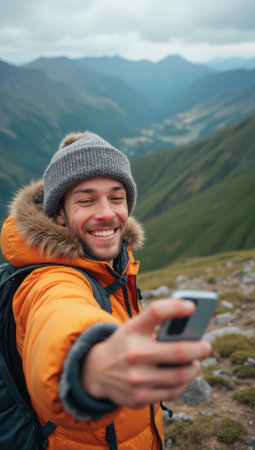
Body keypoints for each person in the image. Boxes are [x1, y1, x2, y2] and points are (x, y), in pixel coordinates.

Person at [0, 131, 212, 449]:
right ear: (59, 213)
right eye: (86, 200)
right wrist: (88, 369)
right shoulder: (48, 280)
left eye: (116, 198)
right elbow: (61, 318)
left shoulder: (112, 265)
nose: (107, 213)